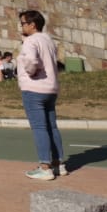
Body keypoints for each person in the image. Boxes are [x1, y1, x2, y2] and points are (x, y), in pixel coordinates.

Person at [18, 10, 67, 179]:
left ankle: (44, 166)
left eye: (23, 23)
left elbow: (31, 61)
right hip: (51, 88)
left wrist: (30, 72)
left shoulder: (30, 41)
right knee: (52, 126)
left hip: (34, 88)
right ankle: (58, 163)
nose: (21, 26)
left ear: (32, 24)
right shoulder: (48, 39)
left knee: (39, 128)